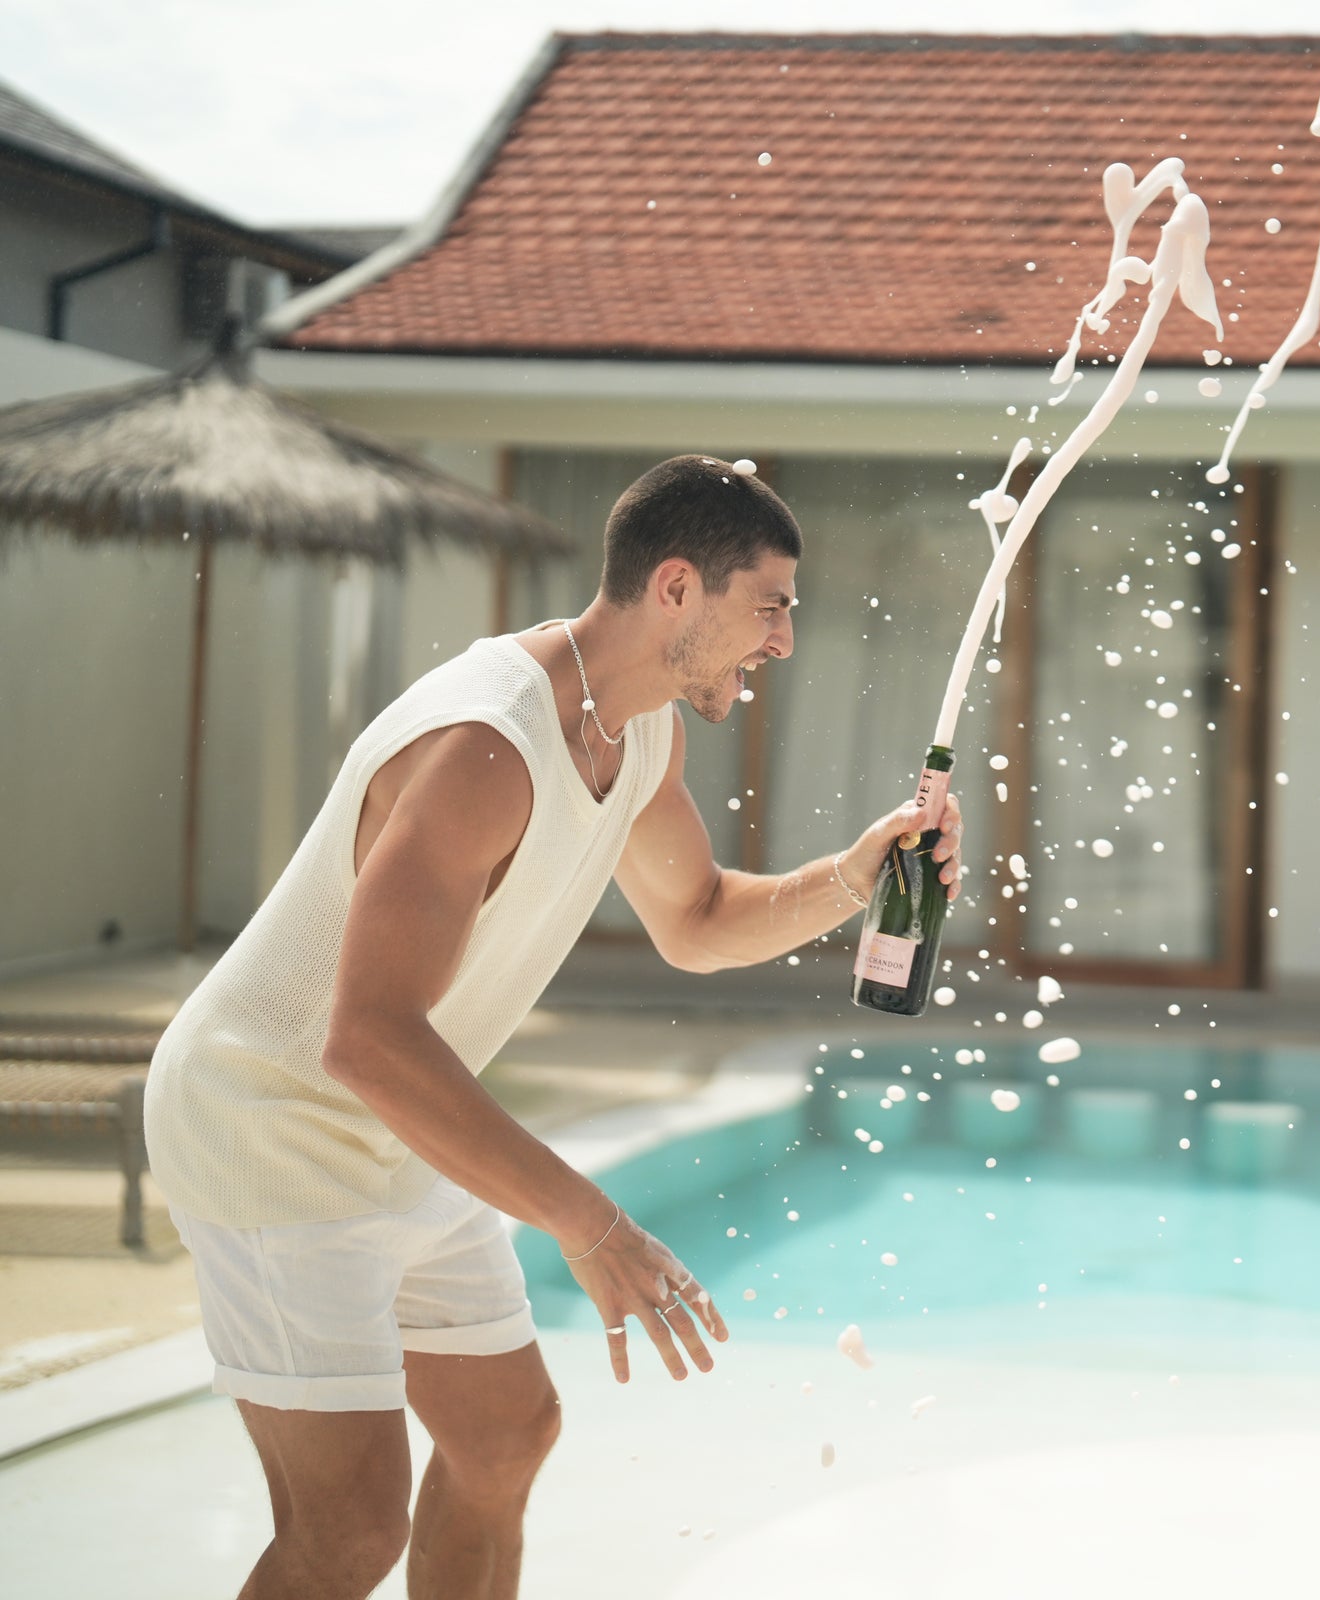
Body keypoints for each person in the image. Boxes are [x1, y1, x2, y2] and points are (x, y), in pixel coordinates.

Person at [143, 455, 966, 1597]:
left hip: (397, 1124)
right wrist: (588, 1223)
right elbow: (367, 1036)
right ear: (677, 587)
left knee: (504, 1437)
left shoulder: (634, 734)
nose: (781, 641)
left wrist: (854, 876)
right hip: (269, 1119)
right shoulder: (487, 745)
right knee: (347, 1531)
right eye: (768, 606)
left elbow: (696, 914)